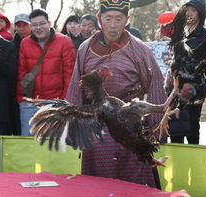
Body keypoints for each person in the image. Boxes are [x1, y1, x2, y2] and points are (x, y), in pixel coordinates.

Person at [66, 0, 167, 188]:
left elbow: (155, 87)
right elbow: (75, 88)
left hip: (131, 126)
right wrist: (73, 127)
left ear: (127, 20)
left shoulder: (140, 49)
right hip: (97, 126)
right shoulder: (85, 48)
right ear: (99, 19)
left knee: (135, 182)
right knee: (98, 185)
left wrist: (156, 129)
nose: (113, 25)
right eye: (108, 18)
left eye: (118, 19)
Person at [17, 9, 76, 136]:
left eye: (42, 23)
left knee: (52, 145)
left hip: (55, 103)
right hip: (30, 103)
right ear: (30, 26)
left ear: (49, 23)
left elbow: (69, 75)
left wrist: (65, 103)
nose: (38, 27)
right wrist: (22, 100)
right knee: (27, 144)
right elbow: (22, 73)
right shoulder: (25, 43)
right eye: (34, 24)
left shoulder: (64, 41)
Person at [168, 0, 206, 144]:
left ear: (201, 13)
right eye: (187, 10)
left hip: (195, 89)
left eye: (193, 10)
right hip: (175, 88)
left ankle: (195, 161)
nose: (189, 14)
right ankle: (177, 160)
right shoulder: (178, 33)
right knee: (175, 127)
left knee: (192, 127)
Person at [9, 13, 32, 136]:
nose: (22, 28)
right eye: (19, 26)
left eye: (25, 25)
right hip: (15, 90)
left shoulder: (37, 42)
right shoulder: (11, 45)